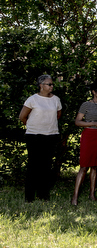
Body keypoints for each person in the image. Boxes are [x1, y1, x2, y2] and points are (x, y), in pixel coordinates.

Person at [18, 74, 62, 202]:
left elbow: (58, 115)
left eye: (52, 84)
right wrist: (35, 126)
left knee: (46, 166)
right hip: (34, 136)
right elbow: (22, 117)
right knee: (33, 166)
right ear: (41, 85)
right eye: (49, 84)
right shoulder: (33, 99)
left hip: (51, 135)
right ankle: (29, 197)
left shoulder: (56, 100)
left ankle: (43, 195)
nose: (51, 86)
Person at [71, 82, 97, 205]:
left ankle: (92, 194)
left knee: (95, 166)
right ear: (94, 91)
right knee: (84, 166)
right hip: (89, 135)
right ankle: (75, 196)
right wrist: (93, 123)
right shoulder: (86, 104)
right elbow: (78, 121)